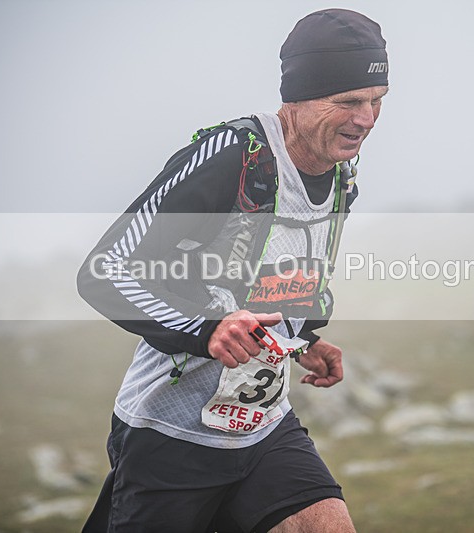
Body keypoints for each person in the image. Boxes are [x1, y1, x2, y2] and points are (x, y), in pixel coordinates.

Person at [77, 8, 388, 532]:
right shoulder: (233, 155)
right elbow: (105, 271)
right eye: (349, 102)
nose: (366, 119)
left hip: (263, 428)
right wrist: (206, 330)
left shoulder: (341, 174)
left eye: (377, 102)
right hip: (170, 435)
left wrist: (303, 337)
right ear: (298, 97)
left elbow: (281, 268)